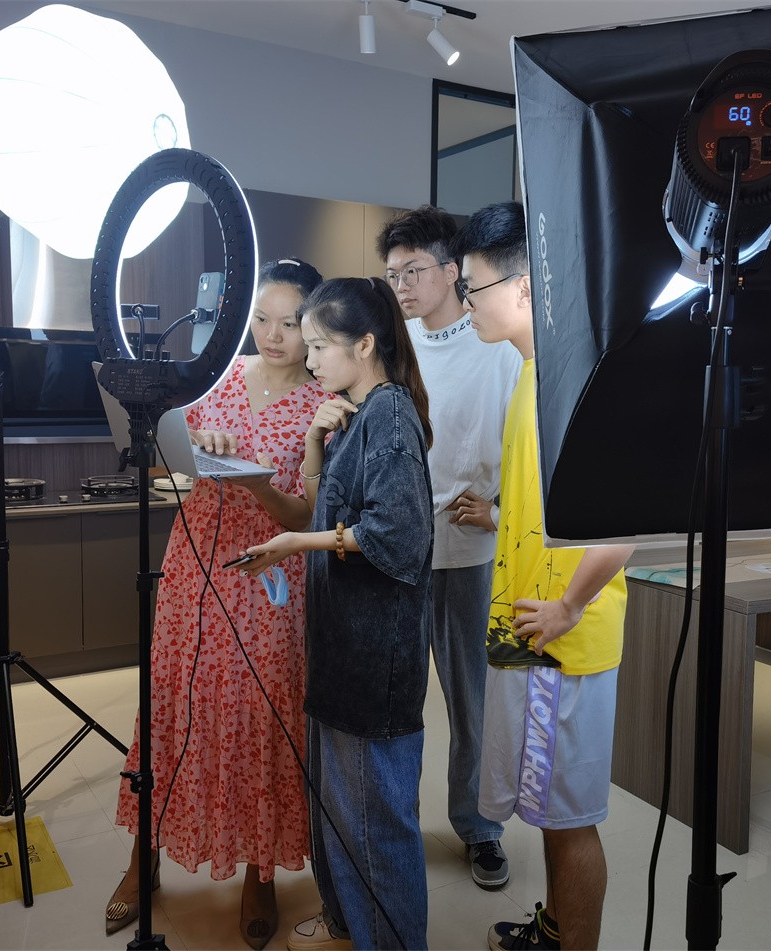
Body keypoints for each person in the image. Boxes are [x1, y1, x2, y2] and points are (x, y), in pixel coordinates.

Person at [106, 258, 327, 950]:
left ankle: (260, 870)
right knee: (173, 704)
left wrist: (257, 483)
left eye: (289, 323)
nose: (272, 335)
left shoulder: (325, 402)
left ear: (315, 326)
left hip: (269, 574)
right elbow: (159, 455)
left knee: (261, 714)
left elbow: (309, 513)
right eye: (261, 319)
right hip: (195, 562)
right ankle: (142, 857)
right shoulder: (215, 378)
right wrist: (191, 442)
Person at [452, 201, 635, 951]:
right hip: (529, 628)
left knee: (569, 820)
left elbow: (625, 522)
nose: (466, 301)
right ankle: (555, 930)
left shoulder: (574, 379)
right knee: (550, 814)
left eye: (473, 286)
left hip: (559, 638)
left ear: (524, 286)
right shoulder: (532, 373)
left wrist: (567, 605)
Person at [239, 276, 435, 951]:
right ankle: (349, 922)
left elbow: (397, 537)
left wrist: (295, 544)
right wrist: (315, 445)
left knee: (375, 825)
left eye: (321, 345)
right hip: (340, 646)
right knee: (343, 815)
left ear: (366, 344)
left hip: (373, 655)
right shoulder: (356, 410)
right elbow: (328, 505)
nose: (310, 358)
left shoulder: (390, 413)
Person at [376, 205, 523, 889]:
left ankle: (480, 827)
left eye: (413, 270)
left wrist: (499, 510)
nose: (402, 285)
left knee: (474, 703)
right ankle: (392, 829)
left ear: (451, 269)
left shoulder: (496, 341)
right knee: (396, 702)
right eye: (393, 274)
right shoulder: (391, 344)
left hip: (469, 553)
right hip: (398, 553)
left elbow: (528, 444)